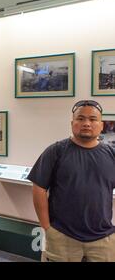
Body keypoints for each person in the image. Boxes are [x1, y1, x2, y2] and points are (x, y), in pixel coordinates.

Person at [28, 100, 115, 262]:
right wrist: (47, 227)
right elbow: (38, 188)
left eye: (92, 119)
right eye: (80, 119)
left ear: (101, 125)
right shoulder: (56, 151)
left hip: (104, 239)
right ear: (72, 123)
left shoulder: (111, 154)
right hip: (63, 236)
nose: (86, 123)